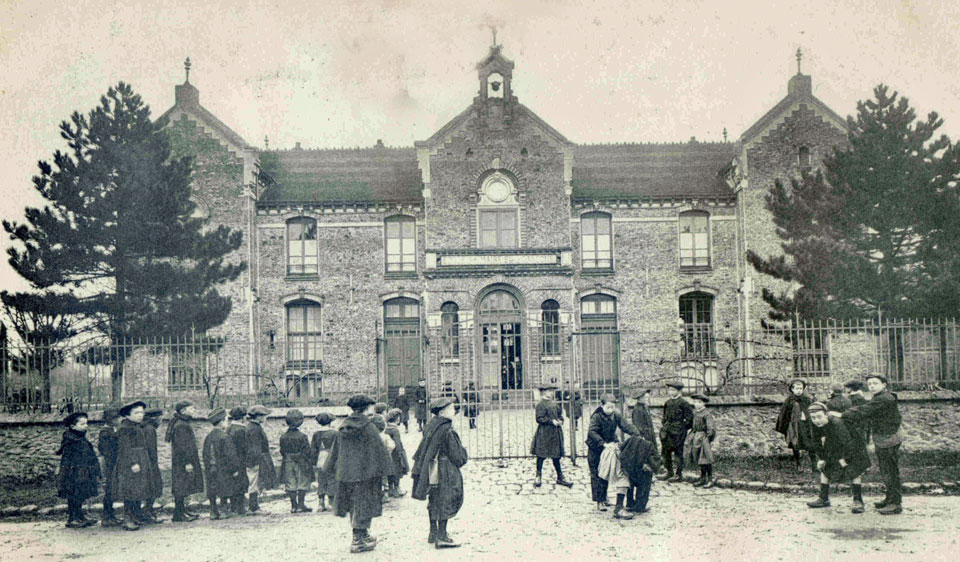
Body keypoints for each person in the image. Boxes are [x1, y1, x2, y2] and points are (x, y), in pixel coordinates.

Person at [323, 394, 394, 554]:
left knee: (354, 504)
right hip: (365, 474)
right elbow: (378, 450)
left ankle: (363, 534)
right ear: (367, 408)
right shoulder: (368, 427)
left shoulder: (343, 426)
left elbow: (336, 450)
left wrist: (329, 469)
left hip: (346, 474)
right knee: (364, 503)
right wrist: (386, 471)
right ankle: (358, 540)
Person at [833, 374, 904, 515]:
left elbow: (864, 410)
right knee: (887, 469)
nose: (871, 386)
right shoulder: (880, 397)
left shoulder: (884, 398)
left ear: (884, 385)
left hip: (888, 438)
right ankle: (890, 498)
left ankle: (895, 503)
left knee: (889, 470)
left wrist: (842, 415)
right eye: (870, 384)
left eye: (875, 383)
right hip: (884, 436)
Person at [412, 396, 469, 549]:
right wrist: (464, 453)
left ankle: (433, 532)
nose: (454, 411)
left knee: (434, 499)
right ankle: (442, 536)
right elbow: (458, 457)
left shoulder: (431, 425)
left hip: (431, 468)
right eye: (451, 408)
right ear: (442, 412)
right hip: (445, 470)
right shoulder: (447, 430)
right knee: (446, 498)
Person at [805, 402, 871, 513]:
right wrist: (822, 458)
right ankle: (823, 498)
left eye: (819, 417)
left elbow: (847, 443)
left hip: (854, 447)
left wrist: (843, 460)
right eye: (813, 418)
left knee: (854, 471)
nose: (816, 420)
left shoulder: (837, 424)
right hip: (834, 445)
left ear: (826, 414)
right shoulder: (815, 425)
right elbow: (816, 442)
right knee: (825, 467)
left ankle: (858, 501)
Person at [587, 394, 639, 512]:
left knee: (606, 472)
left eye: (612, 407)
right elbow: (592, 432)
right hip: (596, 448)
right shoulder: (596, 417)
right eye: (608, 407)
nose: (610, 410)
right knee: (597, 474)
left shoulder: (616, 415)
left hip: (610, 447)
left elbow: (626, 426)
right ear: (602, 405)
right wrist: (603, 443)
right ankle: (599, 501)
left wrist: (637, 434)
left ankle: (604, 498)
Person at [57, 412, 101, 528]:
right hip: (74, 474)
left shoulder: (80, 437)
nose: (86, 426)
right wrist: (71, 474)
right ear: (73, 426)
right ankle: (72, 518)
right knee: (74, 495)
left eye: (86, 423)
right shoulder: (71, 440)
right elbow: (67, 460)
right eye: (82, 424)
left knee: (81, 494)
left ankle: (80, 516)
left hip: (83, 471)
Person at [115, 400, 151, 531]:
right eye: (136, 413)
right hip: (130, 463)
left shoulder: (136, 426)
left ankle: (135, 516)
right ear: (127, 415)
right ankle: (128, 518)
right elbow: (125, 448)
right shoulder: (125, 429)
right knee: (129, 490)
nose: (140, 415)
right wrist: (133, 463)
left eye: (141, 412)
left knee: (138, 489)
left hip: (140, 460)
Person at [165, 400, 203, 523]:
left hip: (180, 461)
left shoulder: (181, 422)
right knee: (181, 487)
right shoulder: (181, 425)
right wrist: (187, 463)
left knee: (183, 486)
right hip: (182, 461)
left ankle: (181, 511)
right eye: (191, 408)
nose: (194, 410)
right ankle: (178, 514)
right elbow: (182, 447)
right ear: (183, 411)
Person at [530, 384, 573, 488]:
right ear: (543, 392)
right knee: (541, 455)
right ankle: (538, 476)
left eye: (552, 391)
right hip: (544, 432)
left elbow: (560, 415)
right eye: (549, 391)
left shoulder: (555, 404)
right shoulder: (541, 405)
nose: (551, 393)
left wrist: (560, 420)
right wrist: (551, 421)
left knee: (556, 456)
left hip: (555, 432)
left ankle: (560, 477)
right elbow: (539, 418)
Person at [202, 407, 242, 520]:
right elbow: (231, 455)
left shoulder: (208, 437)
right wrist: (234, 469)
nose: (227, 422)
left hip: (211, 468)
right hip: (223, 469)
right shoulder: (225, 437)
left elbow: (205, 454)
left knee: (212, 489)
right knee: (224, 488)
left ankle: (213, 511)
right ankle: (224, 511)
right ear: (221, 422)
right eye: (226, 420)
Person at [775, 379, 818, 472]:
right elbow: (784, 415)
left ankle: (814, 466)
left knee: (811, 445)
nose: (799, 390)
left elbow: (812, 411)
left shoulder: (807, 400)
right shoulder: (789, 401)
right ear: (792, 389)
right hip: (794, 427)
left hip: (807, 426)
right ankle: (799, 464)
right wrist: (785, 427)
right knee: (795, 445)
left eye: (801, 388)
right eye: (797, 388)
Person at [658, 381, 693, 483]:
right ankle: (669, 472)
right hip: (667, 432)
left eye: (673, 390)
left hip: (678, 433)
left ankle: (678, 474)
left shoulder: (684, 403)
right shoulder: (667, 403)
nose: (671, 392)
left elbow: (689, 419)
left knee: (678, 453)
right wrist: (665, 425)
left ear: (679, 391)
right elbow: (664, 417)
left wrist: (681, 428)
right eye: (670, 390)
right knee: (666, 452)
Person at [280, 409, 314, 513]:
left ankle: (293, 506)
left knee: (290, 483)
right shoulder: (302, 436)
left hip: (288, 461)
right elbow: (307, 451)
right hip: (301, 461)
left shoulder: (283, 436)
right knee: (302, 482)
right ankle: (301, 505)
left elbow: (282, 450)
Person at [244, 405, 276, 515]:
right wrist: (256, 462)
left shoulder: (253, 427)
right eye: (264, 416)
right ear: (258, 417)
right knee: (254, 483)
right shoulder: (254, 429)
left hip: (255, 459)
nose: (265, 418)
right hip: (255, 460)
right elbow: (254, 448)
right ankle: (253, 507)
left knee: (255, 483)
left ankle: (254, 506)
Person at [620, 430, 660, 514]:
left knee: (629, 485)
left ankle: (629, 503)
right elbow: (655, 458)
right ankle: (640, 506)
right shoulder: (649, 445)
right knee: (644, 486)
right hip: (643, 470)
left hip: (630, 467)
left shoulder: (631, 440)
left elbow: (621, 448)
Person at [685, 394, 717, 488]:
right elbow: (692, 425)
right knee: (699, 459)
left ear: (704, 403)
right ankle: (702, 478)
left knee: (705, 459)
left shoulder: (707, 414)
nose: (697, 404)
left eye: (699, 402)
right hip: (695, 438)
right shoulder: (695, 413)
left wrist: (707, 437)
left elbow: (711, 428)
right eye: (695, 402)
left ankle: (710, 479)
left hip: (703, 438)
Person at [97, 406, 122, 527]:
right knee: (109, 490)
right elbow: (105, 450)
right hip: (109, 464)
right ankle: (107, 517)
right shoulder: (105, 432)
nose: (119, 420)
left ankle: (110, 515)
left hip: (112, 463)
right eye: (117, 418)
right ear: (110, 419)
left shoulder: (112, 430)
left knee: (112, 489)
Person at [141, 408, 165, 523]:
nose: (162, 420)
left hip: (147, 462)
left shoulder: (146, 428)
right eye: (161, 417)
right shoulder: (150, 430)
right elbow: (151, 449)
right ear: (155, 418)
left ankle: (148, 511)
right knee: (153, 487)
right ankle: (147, 512)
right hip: (150, 463)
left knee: (152, 487)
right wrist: (153, 465)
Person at [225, 407, 250, 515]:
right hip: (240, 461)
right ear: (243, 417)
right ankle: (240, 508)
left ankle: (233, 507)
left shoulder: (229, 428)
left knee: (234, 483)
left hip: (230, 461)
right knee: (241, 484)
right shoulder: (241, 430)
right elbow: (243, 448)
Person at [311, 412, 338, 512]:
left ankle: (321, 503)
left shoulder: (316, 434)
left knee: (321, 479)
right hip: (332, 458)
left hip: (320, 459)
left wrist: (313, 462)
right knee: (332, 479)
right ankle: (331, 502)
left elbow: (313, 449)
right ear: (330, 422)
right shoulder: (335, 433)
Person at [371, 414, 397, 503]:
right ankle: (384, 495)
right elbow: (392, 446)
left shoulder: (370, 436)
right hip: (384, 460)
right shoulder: (385, 436)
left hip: (372, 461)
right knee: (383, 478)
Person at [385, 408, 410, 498]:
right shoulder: (395, 430)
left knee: (390, 472)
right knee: (397, 471)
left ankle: (391, 489)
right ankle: (397, 489)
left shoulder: (386, 428)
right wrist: (401, 453)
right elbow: (397, 443)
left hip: (389, 454)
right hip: (396, 454)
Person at [843, 380, 871, 445]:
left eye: (846, 387)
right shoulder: (860, 396)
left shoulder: (851, 398)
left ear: (851, 388)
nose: (845, 389)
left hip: (856, 423)